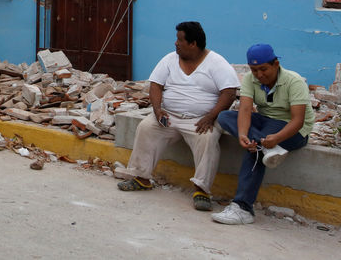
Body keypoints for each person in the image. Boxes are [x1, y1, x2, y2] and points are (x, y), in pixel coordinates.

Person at [116, 21, 239, 211]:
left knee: (207, 140)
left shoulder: (216, 63)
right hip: (169, 116)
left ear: (193, 44)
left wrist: (211, 116)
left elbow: (229, 92)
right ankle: (141, 178)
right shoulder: (169, 59)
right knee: (146, 128)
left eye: (180, 40)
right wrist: (157, 110)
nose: (175, 43)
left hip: (200, 120)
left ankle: (201, 190)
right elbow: (156, 85)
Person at [212, 44, 315, 225]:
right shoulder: (250, 79)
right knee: (225, 116)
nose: (259, 75)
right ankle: (266, 148)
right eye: (254, 70)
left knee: (254, 150)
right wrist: (243, 134)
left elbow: (298, 120)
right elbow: (244, 109)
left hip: (293, 130)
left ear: (275, 64)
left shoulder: (294, 81)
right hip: (265, 123)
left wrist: (276, 138)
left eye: (263, 69)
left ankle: (243, 208)